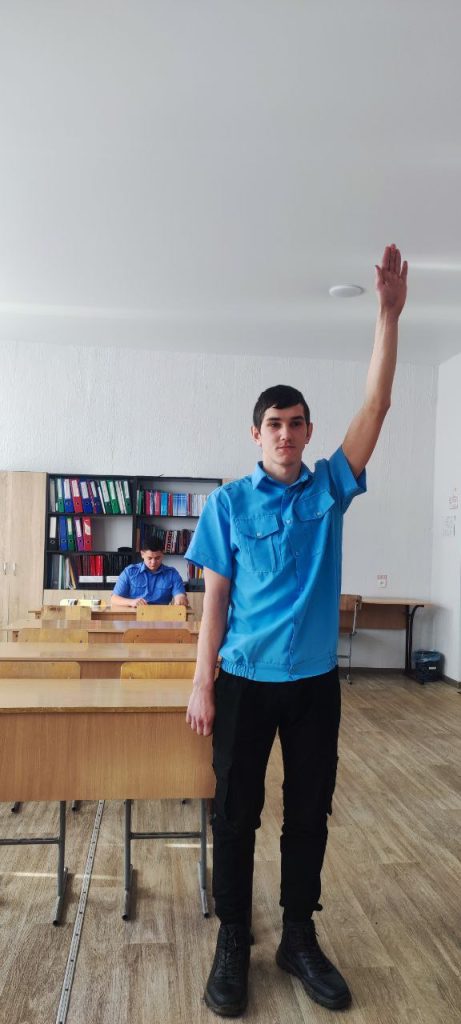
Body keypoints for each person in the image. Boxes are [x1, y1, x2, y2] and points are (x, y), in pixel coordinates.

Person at [185, 244, 408, 1017]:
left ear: (309, 433)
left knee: (309, 813)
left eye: (296, 423)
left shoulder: (328, 490)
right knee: (234, 815)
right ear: (255, 435)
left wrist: (387, 316)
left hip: (313, 686)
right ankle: (232, 938)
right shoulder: (227, 505)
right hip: (244, 682)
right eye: (273, 424)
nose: (285, 433)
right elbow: (215, 601)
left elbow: (375, 407)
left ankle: (297, 936)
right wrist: (201, 682)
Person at [111, 536, 188, 608]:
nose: (153, 562)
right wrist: (131, 602)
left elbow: (179, 594)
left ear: (163, 554)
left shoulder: (172, 574)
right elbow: (114, 599)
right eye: (149, 558)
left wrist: (180, 598)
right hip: (135, 615)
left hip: (161, 615)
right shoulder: (129, 572)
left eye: (157, 558)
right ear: (142, 554)